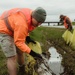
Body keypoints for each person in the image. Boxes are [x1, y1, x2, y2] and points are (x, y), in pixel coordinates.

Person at [0, 7, 46, 75]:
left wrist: (27, 37)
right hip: (4, 29)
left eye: (41, 23)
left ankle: (22, 69)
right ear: (34, 17)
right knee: (12, 57)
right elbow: (19, 42)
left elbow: (26, 26)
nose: (39, 24)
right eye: (38, 22)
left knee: (20, 51)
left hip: (14, 27)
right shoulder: (21, 23)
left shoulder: (32, 15)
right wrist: (32, 53)